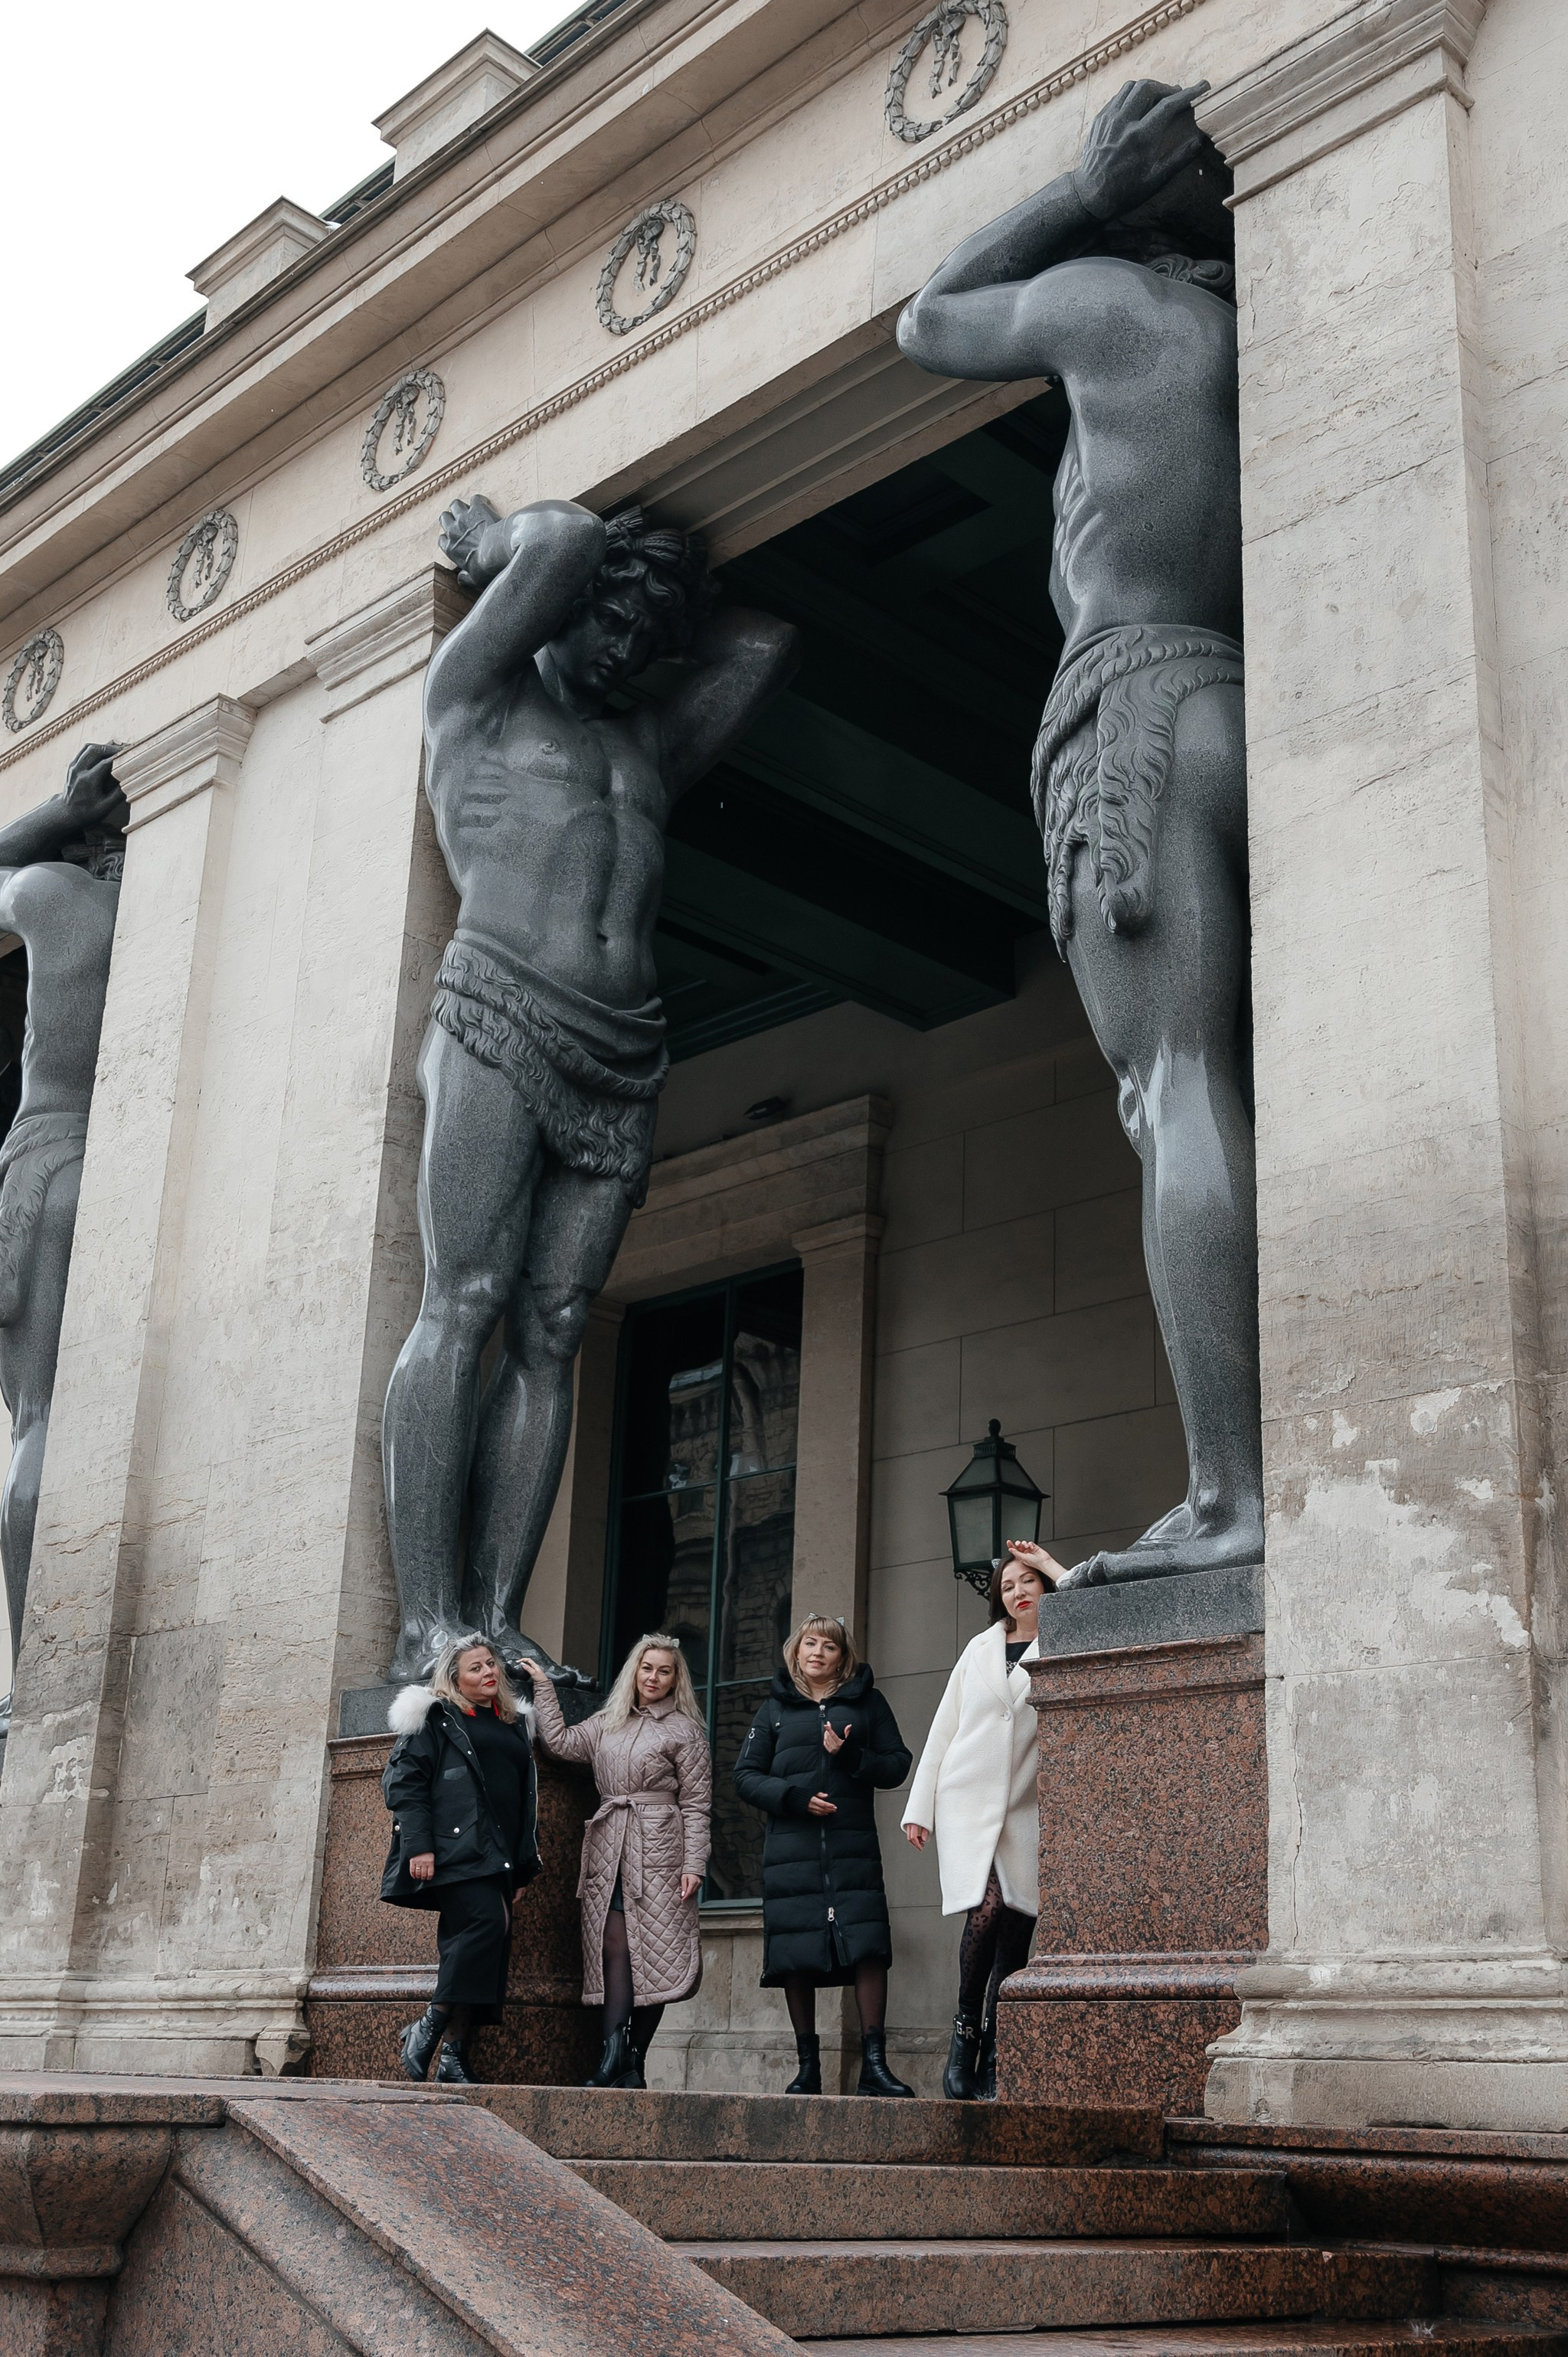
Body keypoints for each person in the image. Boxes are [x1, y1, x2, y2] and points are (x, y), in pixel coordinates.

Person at [897, 81, 1261, 1588]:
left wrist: (1076, 194)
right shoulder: (1249, 327)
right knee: (1244, 1086)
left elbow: (929, 316)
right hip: (1243, 687)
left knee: (1172, 1087)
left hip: (1132, 700)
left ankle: (1237, 1494)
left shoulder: (1113, 307)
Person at [381, 495, 799, 1682]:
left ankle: (500, 1617)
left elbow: (764, 645)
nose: (624, 648)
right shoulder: (474, 696)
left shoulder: (644, 746)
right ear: (557, 607)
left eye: (644, 634)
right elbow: (562, 533)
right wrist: (501, 550)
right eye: (608, 621)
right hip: (499, 1007)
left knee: (555, 1329)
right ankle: (428, 1621)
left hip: (623, 1042)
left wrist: (669, 604)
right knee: (463, 1301)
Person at [0, 741, 127, 1738]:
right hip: (155, 1157)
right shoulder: (156, 912)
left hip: (55, 1157)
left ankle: (34, 1674)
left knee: (41, 1417)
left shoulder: (57, 896)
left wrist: (52, 811)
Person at [903, 1540, 1066, 2097]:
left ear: (1045, 1585)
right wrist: (919, 1806)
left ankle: (999, 2049)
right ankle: (964, 2032)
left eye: (1029, 1581)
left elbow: (1096, 1599)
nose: (1018, 1592)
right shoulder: (979, 1648)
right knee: (987, 1910)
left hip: (1027, 1806)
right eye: (1008, 1585)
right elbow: (943, 1728)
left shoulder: (1065, 1640)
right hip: (967, 1799)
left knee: (1017, 1930)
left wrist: (1048, 1562)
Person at [734, 1614, 914, 2097]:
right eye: (809, 1644)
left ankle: (874, 2068)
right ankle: (807, 2069)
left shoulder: (867, 1703)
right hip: (791, 1852)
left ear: (842, 1657)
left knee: (869, 1945)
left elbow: (898, 1764)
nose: (818, 1652)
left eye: (829, 1646)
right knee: (797, 1953)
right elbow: (745, 1776)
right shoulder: (773, 1711)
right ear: (795, 1651)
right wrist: (793, 1797)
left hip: (851, 1846)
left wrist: (850, 1756)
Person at [522, 1633, 710, 2090]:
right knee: (616, 1948)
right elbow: (562, 1745)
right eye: (648, 1668)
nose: (654, 1677)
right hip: (611, 1843)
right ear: (635, 1671)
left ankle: (630, 2060)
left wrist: (694, 1864)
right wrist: (546, 1691)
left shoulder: (686, 1730)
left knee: (657, 1959)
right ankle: (614, 2055)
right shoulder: (608, 1721)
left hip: (661, 1847)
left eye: (664, 1671)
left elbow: (699, 1803)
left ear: (675, 1679)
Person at [381, 1635, 540, 2084]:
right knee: (488, 1927)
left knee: (489, 1941)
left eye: (491, 1664)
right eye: (476, 1668)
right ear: (454, 1678)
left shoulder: (513, 1722)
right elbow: (404, 1783)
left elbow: (523, 1802)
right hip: (454, 1849)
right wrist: (419, 1846)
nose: (489, 1672)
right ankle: (428, 2025)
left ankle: (452, 2054)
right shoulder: (436, 1717)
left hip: (500, 1855)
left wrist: (524, 1863)